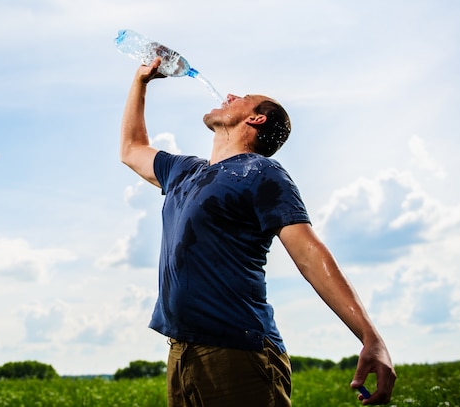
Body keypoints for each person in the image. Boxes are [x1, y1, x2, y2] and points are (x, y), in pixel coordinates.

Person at [120, 57, 396, 406]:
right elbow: (131, 150)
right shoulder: (183, 171)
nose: (231, 94)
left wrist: (370, 337)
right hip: (181, 352)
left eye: (244, 97)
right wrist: (141, 82)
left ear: (257, 118)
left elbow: (310, 255)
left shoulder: (262, 172)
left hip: (238, 351)